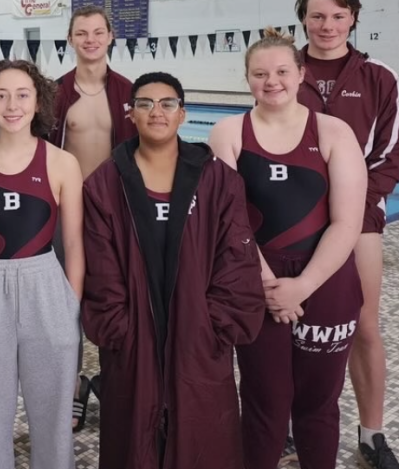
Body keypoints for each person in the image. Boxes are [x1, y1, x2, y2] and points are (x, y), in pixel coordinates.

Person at [83, 71, 266, 469]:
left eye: (167, 103)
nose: (157, 112)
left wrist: (212, 326)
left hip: (200, 344)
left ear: (183, 114)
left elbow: (236, 263)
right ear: (130, 114)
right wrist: (121, 331)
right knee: (133, 447)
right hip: (133, 348)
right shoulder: (104, 184)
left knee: (203, 444)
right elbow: (100, 272)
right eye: (145, 104)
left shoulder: (218, 180)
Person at [209, 28, 367, 469]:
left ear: (301, 73)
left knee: (319, 402)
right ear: (247, 79)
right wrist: (267, 285)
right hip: (255, 281)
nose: (271, 80)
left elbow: (347, 222)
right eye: (260, 73)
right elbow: (231, 221)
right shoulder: (228, 132)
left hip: (327, 281)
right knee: (264, 401)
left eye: (281, 70)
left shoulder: (334, 131)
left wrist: (303, 285)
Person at [0, 59, 84, 469]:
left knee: (53, 414)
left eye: (22, 95)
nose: (12, 105)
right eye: (1, 95)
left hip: (47, 284)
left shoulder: (62, 163)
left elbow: (74, 244)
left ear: (38, 101)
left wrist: (70, 307)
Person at [295, 0, 399, 469]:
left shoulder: (379, 76)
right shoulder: (284, 68)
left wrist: (349, 211)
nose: (327, 26)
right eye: (318, 16)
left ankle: (371, 433)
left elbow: (391, 154)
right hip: (290, 220)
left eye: (338, 16)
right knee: (283, 323)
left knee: (363, 325)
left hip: (359, 221)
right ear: (303, 18)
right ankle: (283, 424)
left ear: (354, 19)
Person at [49, 4, 138, 431]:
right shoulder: (55, 93)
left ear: (110, 36)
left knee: (117, 301)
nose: (90, 39)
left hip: (114, 215)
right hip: (67, 214)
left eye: (97, 32)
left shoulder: (128, 91)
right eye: (81, 33)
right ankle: (71, 389)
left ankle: (115, 381)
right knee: (67, 304)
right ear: (71, 39)